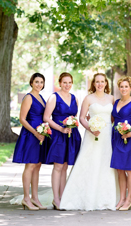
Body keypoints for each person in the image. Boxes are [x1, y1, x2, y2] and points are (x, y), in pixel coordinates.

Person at [59, 73, 119, 211]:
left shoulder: (111, 98)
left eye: (102, 81)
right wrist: (91, 128)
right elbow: (81, 118)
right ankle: (84, 197)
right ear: (93, 83)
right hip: (91, 134)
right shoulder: (88, 98)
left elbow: (113, 117)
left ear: (106, 83)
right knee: (90, 162)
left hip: (107, 134)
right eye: (97, 81)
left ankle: (106, 198)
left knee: (106, 163)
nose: (100, 84)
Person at [42, 72, 82, 210]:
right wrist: (61, 129)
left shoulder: (75, 98)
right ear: (60, 83)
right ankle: (56, 199)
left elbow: (74, 116)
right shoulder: (54, 97)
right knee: (58, 166)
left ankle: (63, 196)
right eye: (64, 82)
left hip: (71, 135)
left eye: (69, 82)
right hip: (59, 135)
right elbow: (46, 117)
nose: (67, 85)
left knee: (65, 166)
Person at [12, 73, 50, 210]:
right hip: (31, 134)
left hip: (41, 134)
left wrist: (44, 131)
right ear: (31, 83)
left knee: (37, 165)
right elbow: (22, 119)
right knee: (30, 166)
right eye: (36, 81)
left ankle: (35, 198)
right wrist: (35, 132)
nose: (39, 84)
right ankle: (26, 198)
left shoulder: (41, 97)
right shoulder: (28, 97)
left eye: (41, 82)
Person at [110, 76, 131, 211]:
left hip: (128, 138)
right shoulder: (116, 102)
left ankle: (129, 200)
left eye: (126, 86)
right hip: (116, 138)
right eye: (122, 86)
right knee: (119, 169)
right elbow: (112, 119)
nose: (124, 89)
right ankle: (122, 198)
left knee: (129, 169)